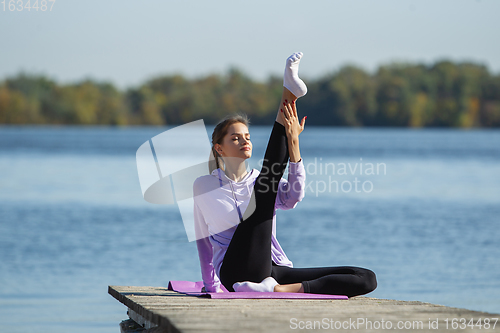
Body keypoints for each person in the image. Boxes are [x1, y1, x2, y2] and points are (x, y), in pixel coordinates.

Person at [193, 52, 377, 296]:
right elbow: (203, 241)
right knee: (264, 189)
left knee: (366, 278)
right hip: (233, 272)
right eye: (235, 138)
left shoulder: (257, 179)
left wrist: (294, 145)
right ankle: (288, 94)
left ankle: (279, 289)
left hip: (270, 270)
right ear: (219, 148)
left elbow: (292, 199)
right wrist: (210, 285)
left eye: (247, 137)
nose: (244, 142)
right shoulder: (203, 186)